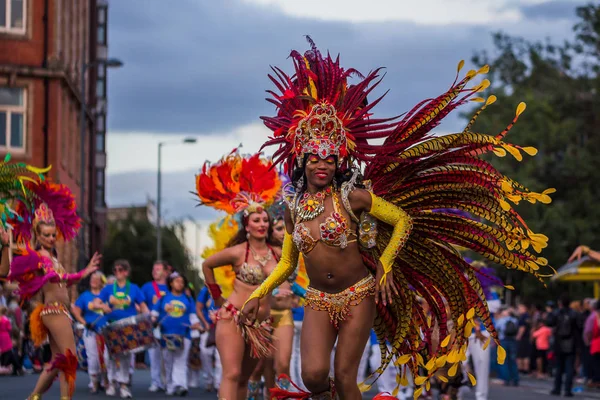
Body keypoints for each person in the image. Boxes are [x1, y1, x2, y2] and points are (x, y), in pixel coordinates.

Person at [240, 38, 553, 399]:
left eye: (330, 157)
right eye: (315, 157)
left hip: (358, 294)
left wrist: (385, 266)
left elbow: (403, 220)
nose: (323, 164)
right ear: (302, 160)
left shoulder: (353, 197)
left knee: (344, 377)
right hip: (316, 298)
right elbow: (287, 264)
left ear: (340, 161)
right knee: (312, 377)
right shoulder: (294, 207)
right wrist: (258, 295)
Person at [0, 180, 100, 400]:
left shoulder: (53, 257)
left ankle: (34, 397)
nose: (51, 238)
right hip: (53, 311)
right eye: (46, 235)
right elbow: (13, 273)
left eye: (53, 234)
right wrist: (7, 244)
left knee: (57, 362)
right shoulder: (36, 257)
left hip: (60, 311)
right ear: (37, 235)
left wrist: (84, 272)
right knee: (70, 358)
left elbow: (63, 281)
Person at [197, 150, 283, 400]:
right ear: (247, 226)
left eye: (265, 220)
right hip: (233, 318)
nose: (262, 224)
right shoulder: (237, 252)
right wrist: (216, 298)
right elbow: (206, 265)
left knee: (245, 378)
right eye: (256, 220)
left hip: (261, 324)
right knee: (232, 374)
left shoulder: (278, 253)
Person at [98, 259, 149, 399]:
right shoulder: (108, 288)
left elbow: (143, 305)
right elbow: (96, 302)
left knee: (126, 356)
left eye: (120, 270)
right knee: (110, 356)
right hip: (111, 326)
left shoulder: (133, 288)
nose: (117, 272)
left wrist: (149, 317)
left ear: (126, 272)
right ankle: (112, 382)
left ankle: (124, 385)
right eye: (115, 270)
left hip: (128, 326)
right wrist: (103, 306)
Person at [152, 271, 201, 396]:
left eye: (182, 282)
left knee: (181, 360)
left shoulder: (188, 299)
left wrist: (196, 324)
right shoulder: (163, 298)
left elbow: (192, 316)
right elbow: (154, 314)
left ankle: (181, 385)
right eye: (177, 281)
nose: (180, 284)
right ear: (171, 283)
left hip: (184, 335)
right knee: (168, 362)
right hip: (166, 335)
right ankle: (170, 385)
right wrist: (153, 321)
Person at [71, 271, 110, 393]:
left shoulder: (107, 295)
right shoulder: (85, 296)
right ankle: (94, 382)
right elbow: (76, 312)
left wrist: (105, 308)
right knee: (93, 357)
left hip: (105, 330)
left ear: (101, 281)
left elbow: (112, 310)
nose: (93, 280)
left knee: (106, 357)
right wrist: (85, 323)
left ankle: (106, 381)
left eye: (96, 278)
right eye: (92, 278)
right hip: (90, 331)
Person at [141, 260, 169, 393]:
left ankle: (169, 382)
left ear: (165, 271)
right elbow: (139, 303)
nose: (155, 271)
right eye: (154, 268)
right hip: (152, 326)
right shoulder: (147, 287)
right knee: (154, 355)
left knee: (168, 356)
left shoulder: (171, 287)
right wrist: (148, 315)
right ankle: (155, 382)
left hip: (169, 326)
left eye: (158, 268)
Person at [547, 294, 581, 397]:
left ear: (560, 303)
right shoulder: (574, 314)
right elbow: (579, 327)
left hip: (559, 342)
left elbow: (549, 323)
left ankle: (557, 388)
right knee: (569, 368)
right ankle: (567, 390)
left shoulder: (556, 313)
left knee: (559, 367)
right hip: (571, 342)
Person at [196, 284, 221, 392]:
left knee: (221, 357)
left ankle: (218, 383)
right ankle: (209, 379)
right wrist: (205, 323)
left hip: (224, 327)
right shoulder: (205, 290)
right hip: (209, 328)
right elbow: (198, 308)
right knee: (205, 353)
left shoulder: (228, 287)